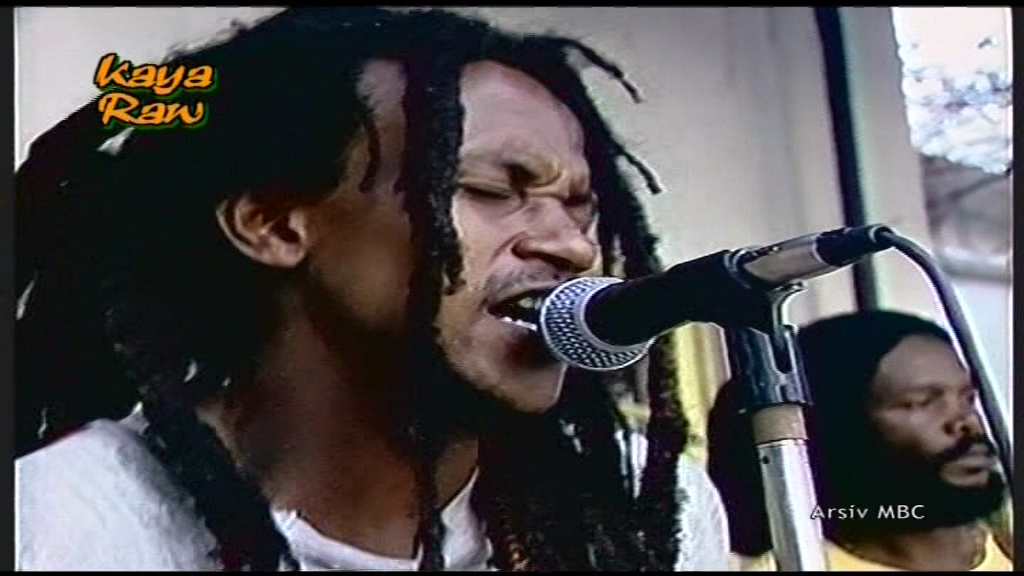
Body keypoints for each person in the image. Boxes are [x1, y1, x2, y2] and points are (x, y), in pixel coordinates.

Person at [14, 7, 731, 571]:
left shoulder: (642, 509)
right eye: (491, 189)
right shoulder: (61, 526)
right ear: (274, 223)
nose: (572, 246)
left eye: (581, 205)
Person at [706, 310, 1012, 571]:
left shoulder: (1007, 536)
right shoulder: (799, 563)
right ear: (845, 425)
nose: (967, 424)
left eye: (968, 397)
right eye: (922, 402)